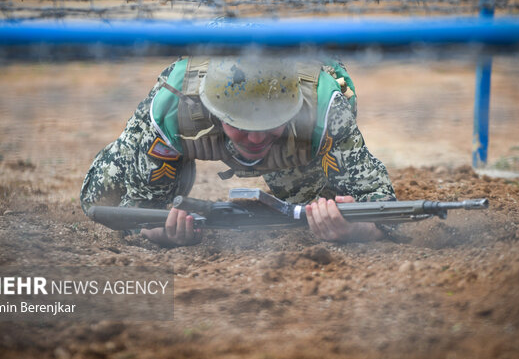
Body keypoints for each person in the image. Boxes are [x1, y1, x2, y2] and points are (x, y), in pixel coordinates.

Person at [80, 56, 395, 246]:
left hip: (297, 144)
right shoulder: (171, 109)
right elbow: (138, 209)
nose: (256, 137)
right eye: (241, 124)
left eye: (271, 122)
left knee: (309, 215)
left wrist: (359, 229)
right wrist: (155, 231)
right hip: (185, 129)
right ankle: (177, 167)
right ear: (214, 113)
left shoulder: (325, 110)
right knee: (101, 197)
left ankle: (299, 178)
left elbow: (383, 205)